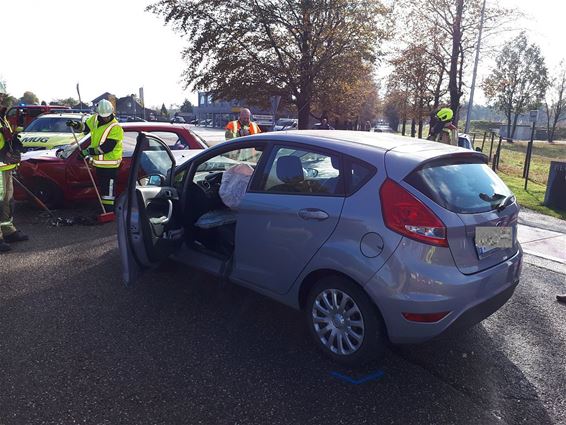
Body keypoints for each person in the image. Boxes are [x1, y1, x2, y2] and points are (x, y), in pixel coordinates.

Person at [67, 99, 123, 212]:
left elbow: (106, 148)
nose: (106, 118)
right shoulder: (94, 119)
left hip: (111, 166)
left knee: (109, 191)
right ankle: (103, 209)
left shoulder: (115, 127)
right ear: (98, 114)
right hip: (99, 165)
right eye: (104, 116)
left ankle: (109, 211)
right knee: (102, 188)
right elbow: (85, 128)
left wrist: (87, 152)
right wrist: (76, 124)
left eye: (108, 116)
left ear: (112, 112)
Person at [0, 84, 28, 252]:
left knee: (7, 201)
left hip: (5, 167)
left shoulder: (1, 116)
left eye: (1, 95)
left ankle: (8, 231)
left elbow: (5, 138)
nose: (1, 99)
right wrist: (4, 152)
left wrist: (15, 144)